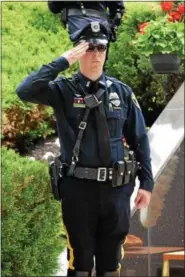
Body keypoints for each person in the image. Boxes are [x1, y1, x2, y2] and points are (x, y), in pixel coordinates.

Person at [16, 22, 154, 276]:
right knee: (79, 263)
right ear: (79, 51)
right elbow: (24, 90)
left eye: (102, 47)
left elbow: (139, 139)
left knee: (111, 262)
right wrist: (63, 60)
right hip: (78, 190)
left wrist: (147, 183)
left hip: (116, 191)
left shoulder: (121, 92)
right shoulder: (63, 91)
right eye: (89, 48)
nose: (96, 54)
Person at [47, 1, 125, 42]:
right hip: (102, 27)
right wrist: (111, 27)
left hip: (74, 27)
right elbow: (118, 10)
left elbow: (54, 7)